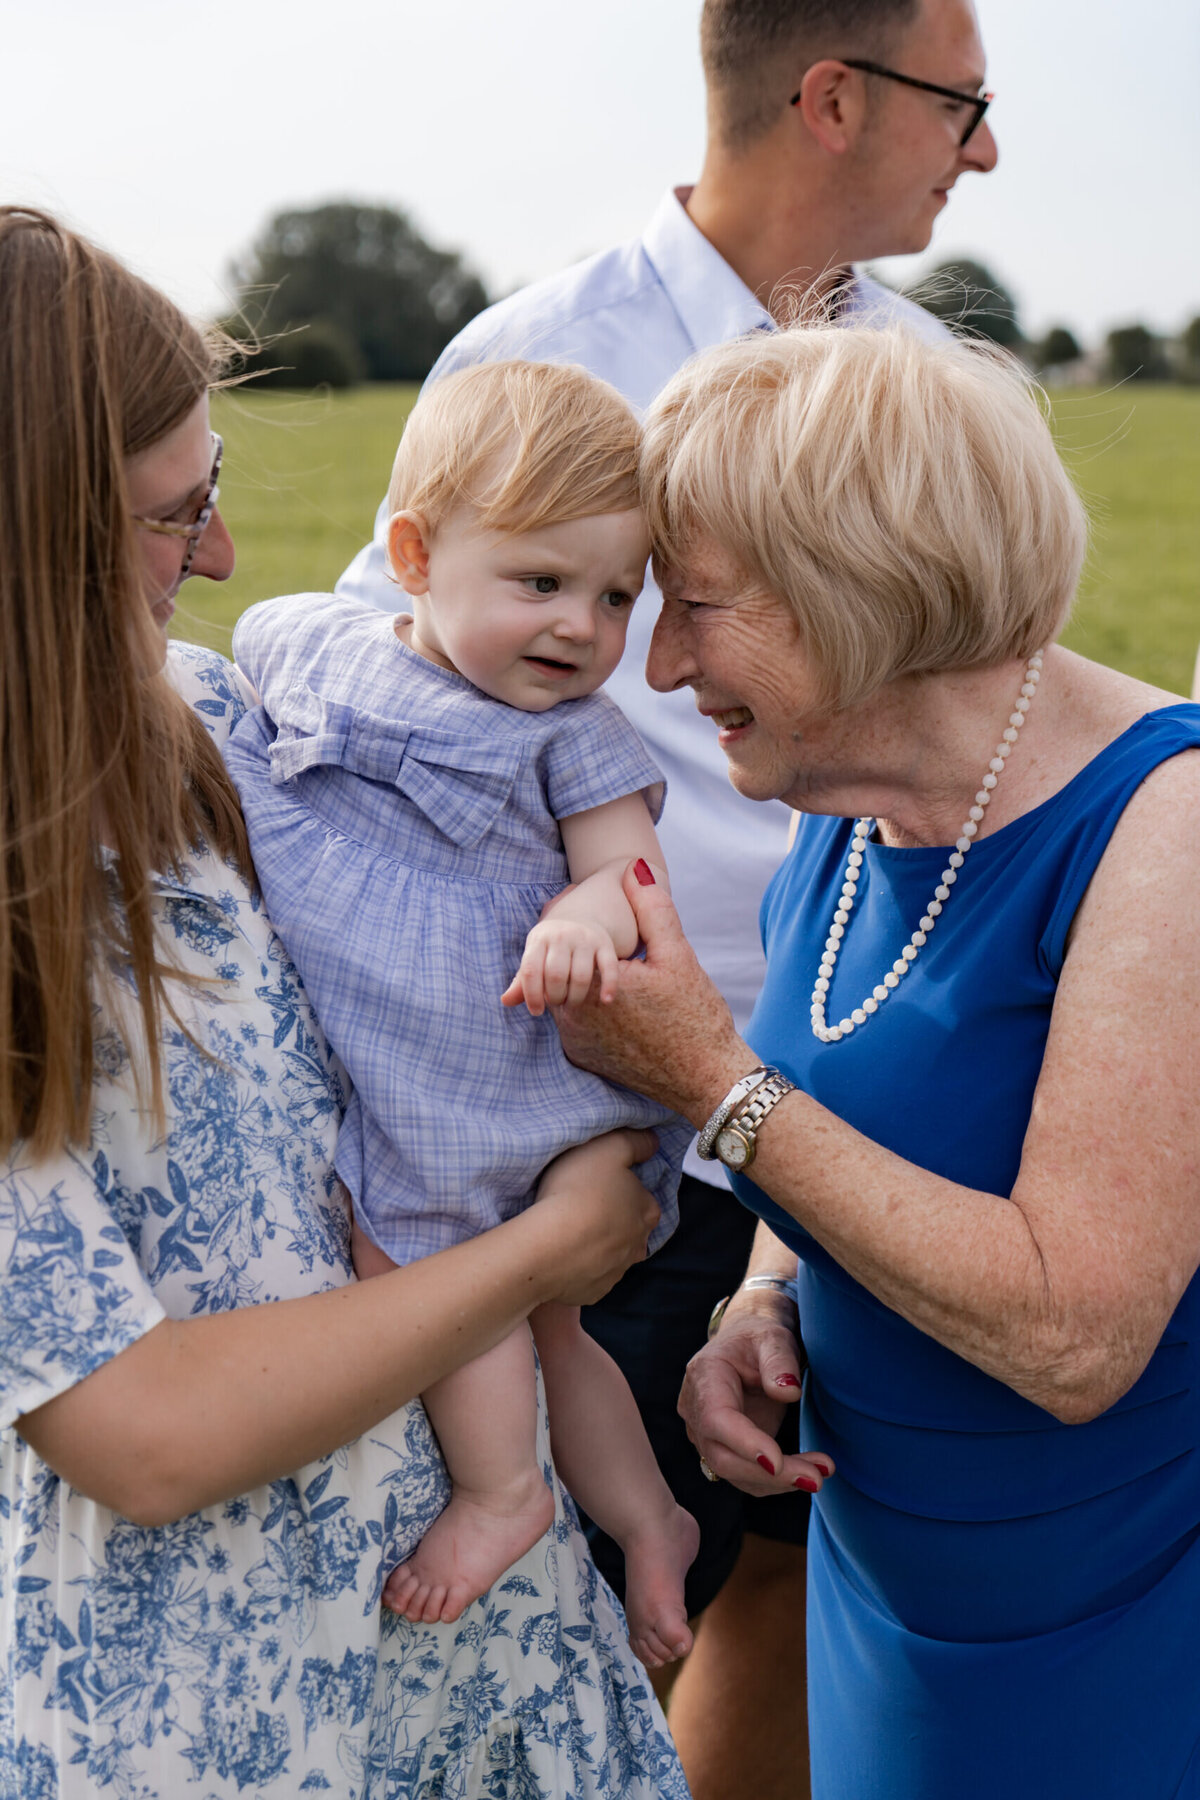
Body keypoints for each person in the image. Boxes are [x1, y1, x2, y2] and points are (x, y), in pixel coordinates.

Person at [337, 3, 996, 1786]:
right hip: (593, 1105)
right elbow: (396, 690)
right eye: (969, 105)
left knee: (791, 1554)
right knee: (551, 1571)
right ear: (835, 96)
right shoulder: (545, 356)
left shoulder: (942, 384)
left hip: (864, 1095)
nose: (990, 151)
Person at [0, 206, 690, 1800]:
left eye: (215, 491)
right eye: (175, 516)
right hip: (209, 1712)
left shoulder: (195, 713)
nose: (226, 559)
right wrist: (546, 1250)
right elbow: (140, 1433)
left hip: (479, 1657)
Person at [550, 320, 1200, 1799]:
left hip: (1113, 1639)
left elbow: (1076, 1333)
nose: (658, 660)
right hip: (883, 1607)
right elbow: (849, 1104)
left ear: (854, 596)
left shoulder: (1167, 831)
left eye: (699, 608)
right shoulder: (847, 805)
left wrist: (712, 1085)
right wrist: (758, 1300)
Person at [224, 359, 698, 1662]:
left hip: (490, 1065)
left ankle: (503, 1492)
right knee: (550, 1318)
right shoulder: (309, 638)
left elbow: (632, 872)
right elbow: (230, 689)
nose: (582, 628)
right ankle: (651, 1517)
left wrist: (586, 919)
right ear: (415, 555)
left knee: (431, 1271)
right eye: (542, 583)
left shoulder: (571, 737)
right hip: (411, 1041)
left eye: (615, 595)